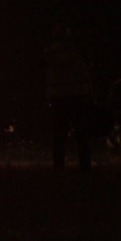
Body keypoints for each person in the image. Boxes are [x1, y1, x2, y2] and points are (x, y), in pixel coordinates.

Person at [45, 23, 94, 172]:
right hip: (78, 96)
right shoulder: (78, 50)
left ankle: (58, 167)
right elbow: (87, 68)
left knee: (59, 136)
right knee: (82, 135)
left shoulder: (50, 52)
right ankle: (85, 167)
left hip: (59, 98)